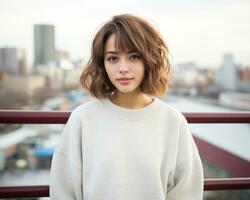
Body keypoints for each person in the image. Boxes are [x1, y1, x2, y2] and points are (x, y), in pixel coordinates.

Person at [50, 13, 204, 200]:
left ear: (149, 59)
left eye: (133, 57)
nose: (123, 68)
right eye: (113, 59)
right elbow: (62, 190)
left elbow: (187, 192)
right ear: (102, 64)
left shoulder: (173, 122)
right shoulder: (82, 119)